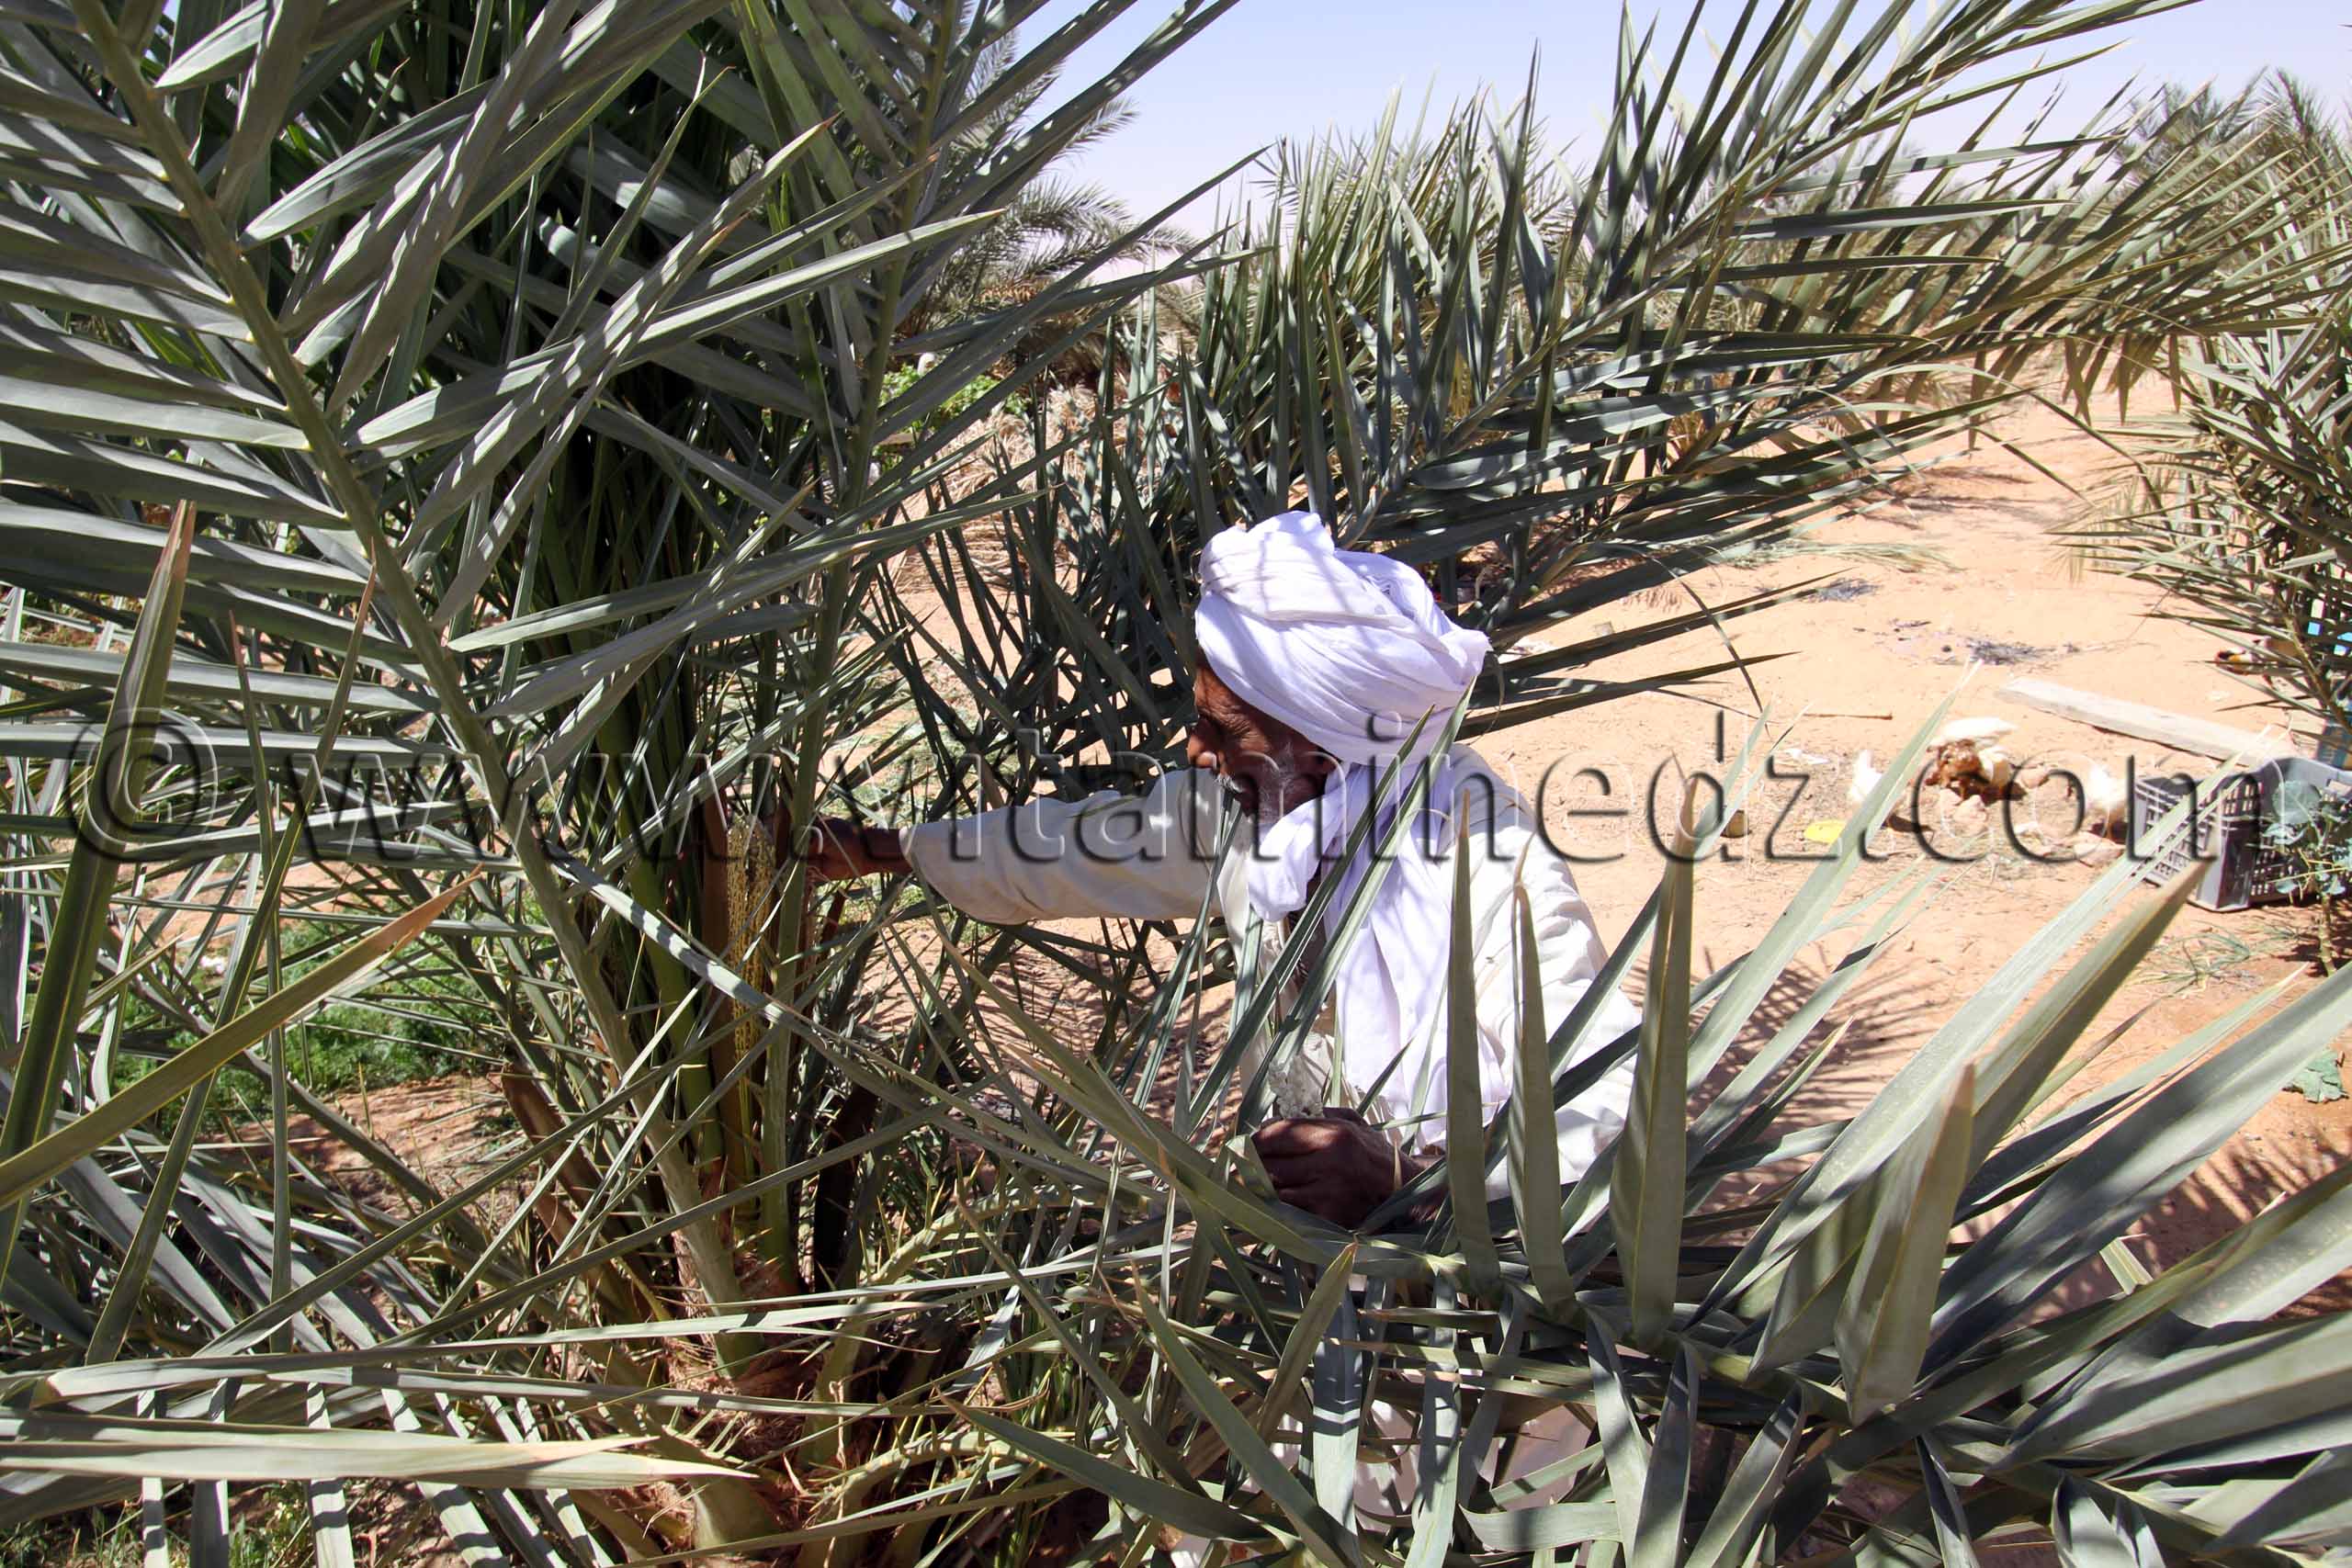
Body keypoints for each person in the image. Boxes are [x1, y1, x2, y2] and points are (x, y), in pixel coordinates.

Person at [800, 509, 1640, 1230]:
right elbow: (1068, 845)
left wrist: (1410, 1177)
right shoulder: (1260, 815)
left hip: (1477, 1324)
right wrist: (880, 849)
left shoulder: (1481, 857)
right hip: (1310, 1281)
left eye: (1223, 727)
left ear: (1326, 737)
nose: (1195, 750)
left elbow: (1604, 1106)